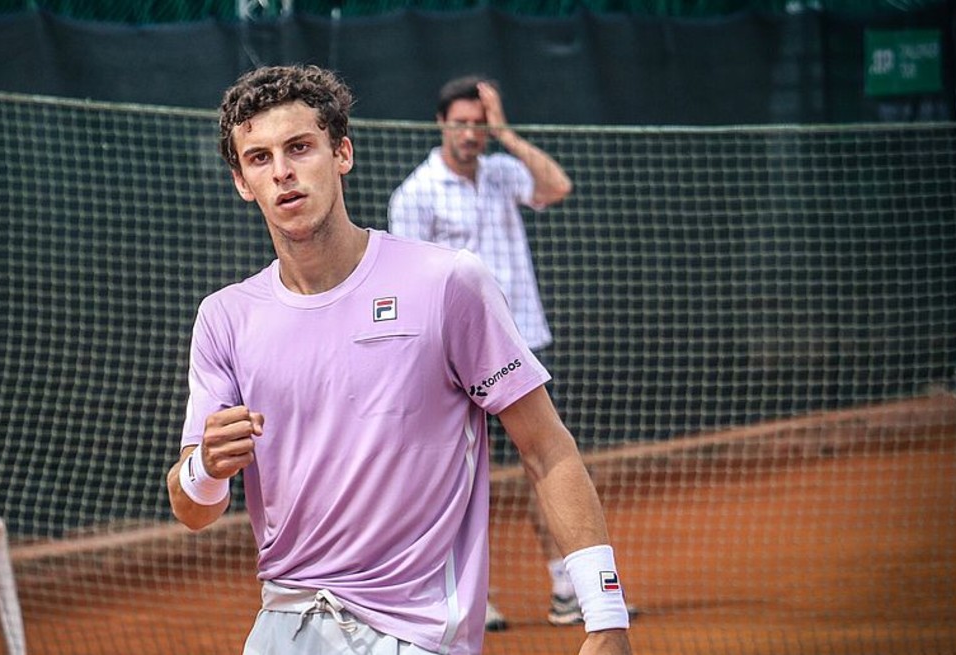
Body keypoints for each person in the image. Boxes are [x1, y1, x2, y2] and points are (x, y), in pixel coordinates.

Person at [167, 64, 631, 654]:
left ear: (342, 154)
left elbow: (546, 449)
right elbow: (192, 509)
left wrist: (605, 613)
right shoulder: (223, 318)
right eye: (259, 158)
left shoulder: (446, 283)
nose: (282, 172)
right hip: (283, 628)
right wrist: (205, 466)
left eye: (300, 147)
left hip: (414, 637)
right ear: (240, 180)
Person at [388, 75, 631, 630]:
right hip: (454, 359)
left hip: (522, 343)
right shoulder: (416, 193)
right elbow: (408, 278)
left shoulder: (499, 173)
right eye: (462, 123)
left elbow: (556, 187)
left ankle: (568, 590)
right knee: (457, 478)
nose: (471, 133)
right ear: (440, 124)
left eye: (479, 124)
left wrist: (507, 133)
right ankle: (468, 598)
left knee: (542, 461)